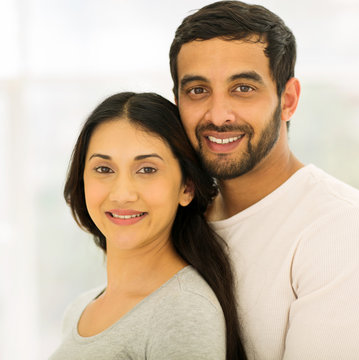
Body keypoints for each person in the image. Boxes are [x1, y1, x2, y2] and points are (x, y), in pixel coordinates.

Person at [169, 1, 359, 359]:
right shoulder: (179, 219)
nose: (218, 115)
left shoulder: (348, 228)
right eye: (197, 91)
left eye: (243, 88)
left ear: (288, 100)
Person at [49, 92, 247, 359]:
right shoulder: (79, 310)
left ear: (186, 187)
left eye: (147, 170)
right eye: (104, 169)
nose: (122, 194)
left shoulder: (183, 313)